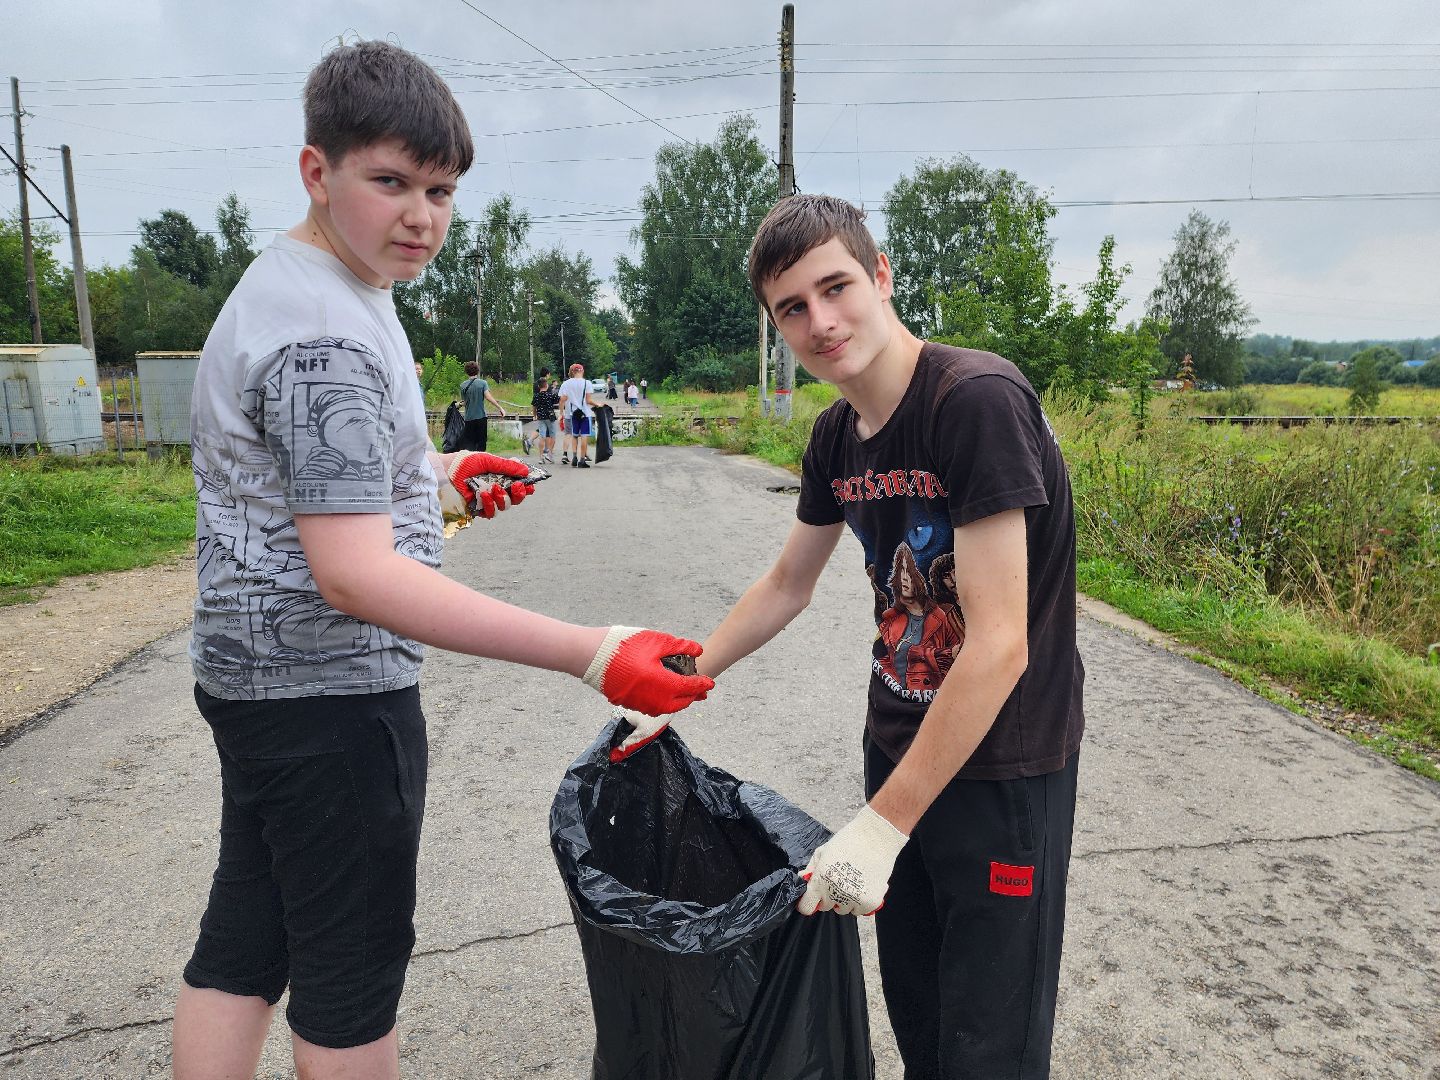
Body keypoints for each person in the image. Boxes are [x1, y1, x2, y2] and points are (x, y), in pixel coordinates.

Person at [173, 41, 714, 1080]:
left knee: (248, 935)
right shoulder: (326, 332)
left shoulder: (316, 282)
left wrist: (438, 474)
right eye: (390, 182)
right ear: (316, 170)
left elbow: (313, 474)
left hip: (258, 680)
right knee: (352, 968)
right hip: (330, 696)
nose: (421, 215)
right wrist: (593, 651)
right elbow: (354, 574)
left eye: (442, 190)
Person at [685, 194, 1084, 1079]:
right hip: (899, 748)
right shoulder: (836, 436)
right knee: (922, 1019)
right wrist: (681, 675)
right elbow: (787, 584)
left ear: (881, 276)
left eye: (836, 288)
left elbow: (1001, 643)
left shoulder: (973, 401)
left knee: (991, 1045)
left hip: (1003, 766)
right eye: (793, 307)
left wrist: (878, 829)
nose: (821, 323)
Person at [557, 362, 599, 469]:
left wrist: (561, 413)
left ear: (573, 372)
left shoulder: (566, 384)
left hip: (573, 414)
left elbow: (562, 399)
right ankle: (582, 460)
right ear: (582, 371)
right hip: (585, 414)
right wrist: (598, 404)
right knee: (584, 436)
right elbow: (588, 401)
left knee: (574, 436)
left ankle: (574, 457)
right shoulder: (587, 383)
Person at [458, 360, 504, 451]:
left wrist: (457, 405)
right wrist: (500, 407)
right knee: (481, 443)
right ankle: (481, 459)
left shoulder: (463, 385)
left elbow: (464, 402)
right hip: (481, 417)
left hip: (468, 418)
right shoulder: (483, 383)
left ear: (466, 371)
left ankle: (472, 459)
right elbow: (488, 397)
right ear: (477, 370)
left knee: (470, 444)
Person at [530, 367, 560, 463]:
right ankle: (549, 454)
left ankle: (541, 457)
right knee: (552, 435)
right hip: (550, 417)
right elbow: (558, 400)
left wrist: (535, 415)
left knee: (542, 436)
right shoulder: (550, 395)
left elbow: (534, 407)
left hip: (541, 417)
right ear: (546, 385)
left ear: (539, 386)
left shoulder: (536, 396)